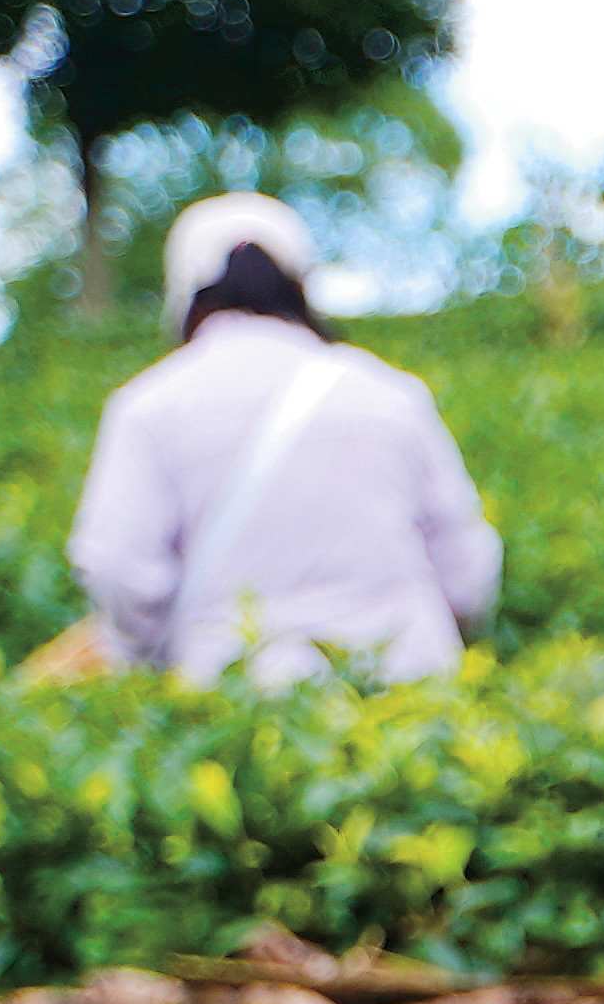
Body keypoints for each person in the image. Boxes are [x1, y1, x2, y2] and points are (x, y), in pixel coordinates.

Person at [68, 193, 500, 685]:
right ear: (301, 284)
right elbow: (468, 570)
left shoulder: (148, 407)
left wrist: (147, 655)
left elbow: (119, 568)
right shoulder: (391, 394)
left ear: (184, 294)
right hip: (413, 701)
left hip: (239, 712)